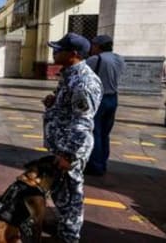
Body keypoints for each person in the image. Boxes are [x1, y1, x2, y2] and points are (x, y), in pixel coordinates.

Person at [42, 32, 102, 243]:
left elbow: (83, 123)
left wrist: (68, 154)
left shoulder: (83, 82)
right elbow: (69, 107)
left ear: (73, 54)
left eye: (59, 49)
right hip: (60, 143)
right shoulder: (69, 75)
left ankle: (69, 236)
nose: (55, 52)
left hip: (70, 147)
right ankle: (63, 222)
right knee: (60, 190)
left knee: (72, 192)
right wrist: (54, 102)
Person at [85, 34, 125, 177]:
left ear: (98, 46)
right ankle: (102, 162)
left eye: (93, 45)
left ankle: (95, 166)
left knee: (94, 131)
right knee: (105, 133)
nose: (91, 48)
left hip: (98, 98)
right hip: (113, 98)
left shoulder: (95, 59)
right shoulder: (119, 59)